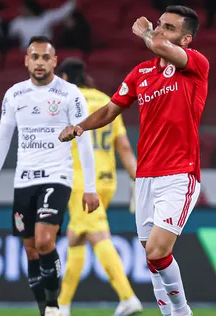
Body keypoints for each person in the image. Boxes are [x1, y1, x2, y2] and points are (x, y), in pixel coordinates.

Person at [59, 5, 209, 316]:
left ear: (186, 40)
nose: (160, 30)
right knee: (151, 258)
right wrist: (81, 126)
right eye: (160, 24)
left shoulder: (195, 65)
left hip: (179, 173)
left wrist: (146, 33)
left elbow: (157, 45)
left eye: (169, 28)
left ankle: (182, 312)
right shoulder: (141, 73)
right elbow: (111, 109)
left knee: (157, 250)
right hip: (146, 176)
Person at [0, 36, 100, 316]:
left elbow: (84, 140)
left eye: (45, 57)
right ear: (26, 60)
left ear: (54, 61)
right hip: (24, 180)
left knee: (46, 240)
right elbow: (3, 138)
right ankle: (44, 310)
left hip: (57, 176)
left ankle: (53, 305)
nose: (39, 62)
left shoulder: (70, 94)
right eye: (34, 56)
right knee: (31, 249)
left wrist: (90, 187)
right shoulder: (14, 95)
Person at [55, 59, 142, 316]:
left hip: (83, 181)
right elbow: (124, 147)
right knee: (75, 237)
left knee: (97, 235)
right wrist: (137, 178)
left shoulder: (68, 101)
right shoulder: (106, 100)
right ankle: (63, 306)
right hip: (107, 180)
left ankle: (128, 298)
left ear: (65, 78)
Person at [9, 0, 77, 49]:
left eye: (22, 8)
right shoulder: (17, 21)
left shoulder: (46, 17)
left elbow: (61, 13)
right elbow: (11, 36)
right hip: (26, 51)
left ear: (29, 9)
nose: (19, 10)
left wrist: (72, 3)